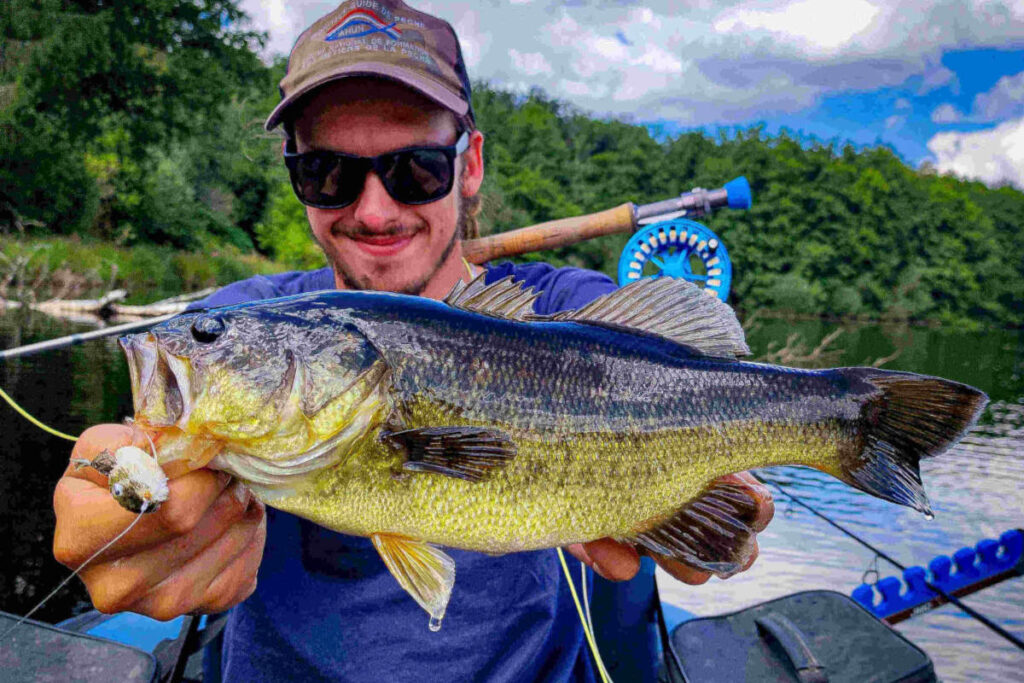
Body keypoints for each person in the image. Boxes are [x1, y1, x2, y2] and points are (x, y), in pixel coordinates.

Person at [53, 1, 774, 680]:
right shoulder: (249, 313)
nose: (374, 211)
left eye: (415, 170)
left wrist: (710, 512)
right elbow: (128, 453)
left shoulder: (564, 312)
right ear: (294, 173)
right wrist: (122, 501)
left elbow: (684, 388)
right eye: (327, 173)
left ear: (470, 164)